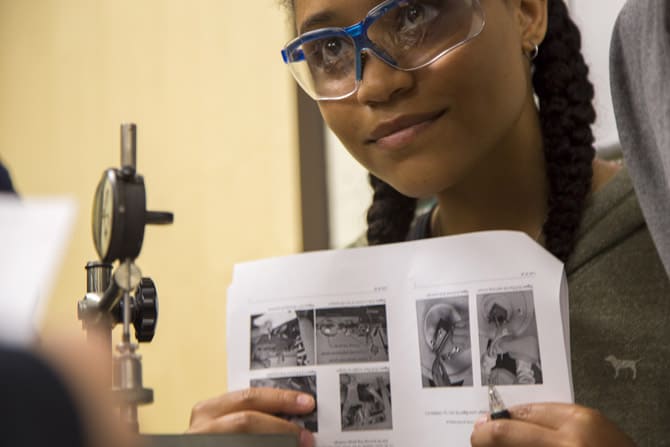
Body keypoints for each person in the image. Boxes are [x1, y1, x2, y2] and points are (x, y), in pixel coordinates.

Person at [189, 0, 670, 445]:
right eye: (331, 48)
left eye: (415, 15)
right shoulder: (334, 297)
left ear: (526, 10)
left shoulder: (657, 234)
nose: (376, 85)